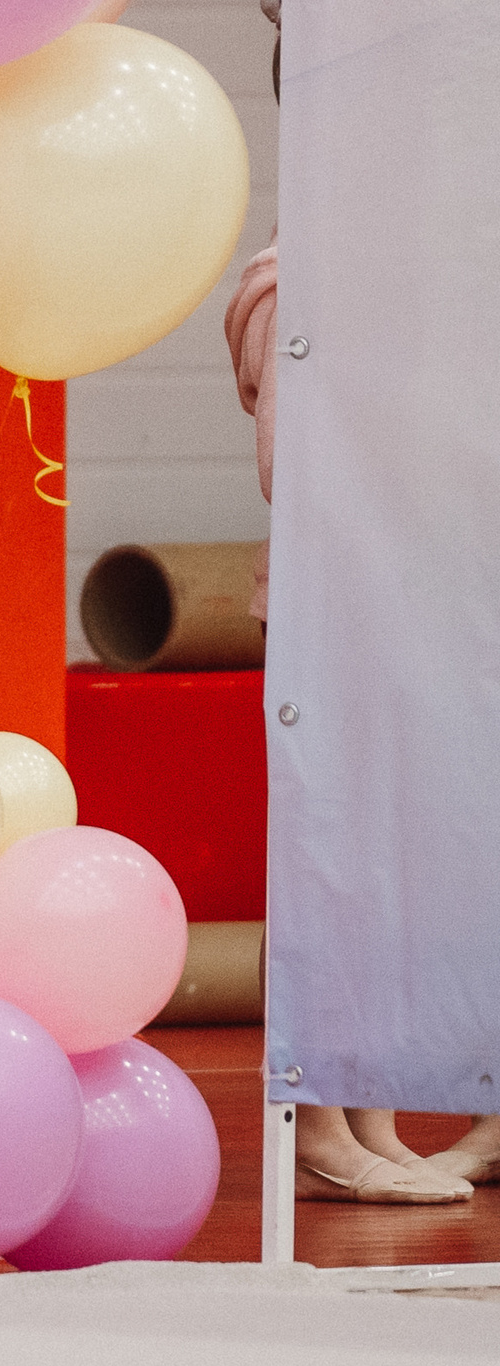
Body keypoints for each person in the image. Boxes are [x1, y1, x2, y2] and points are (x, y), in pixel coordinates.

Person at [229, 225, 487, 1200]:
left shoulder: (387, 262)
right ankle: (318, 1125)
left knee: (382, 863)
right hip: (332, 595)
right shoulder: (291, 278)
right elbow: (293, 464)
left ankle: (367, 1115)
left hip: (406, 595)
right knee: (322, 855)